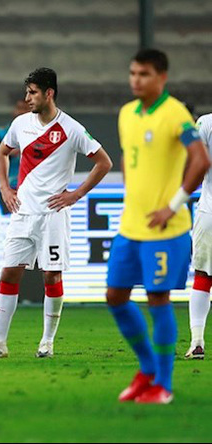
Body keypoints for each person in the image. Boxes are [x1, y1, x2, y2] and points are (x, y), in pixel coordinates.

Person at [0, 68, 112, 360]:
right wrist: (6, 189)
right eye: (27, 92)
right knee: (9, 272)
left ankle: (47, 343)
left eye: (32, 92)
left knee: (51, 275)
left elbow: (104, 162)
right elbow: (1, 153)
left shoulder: (71, 129)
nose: (27, 98)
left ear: (49, 93)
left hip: (53, 215)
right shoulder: (21, 124)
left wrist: (76, 194)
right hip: (23, 212)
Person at [107, 49, 209, 404]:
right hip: (130, 226)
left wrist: (173, 205)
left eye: (144, 74)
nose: (136, 79)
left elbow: (201, 160)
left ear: (161, 77)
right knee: (115, 297)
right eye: (133, 73)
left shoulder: (175, 115)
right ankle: (148, 368)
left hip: (167, 230)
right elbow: (128, 156)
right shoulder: (126, 114)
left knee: (158, 300)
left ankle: (162, 385)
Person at [186, 112, 212, 360]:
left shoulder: (206, 122)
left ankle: (197, 342)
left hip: (209, 213)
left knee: (203, 276)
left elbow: (193, 161)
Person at [0, 99, 29, 190]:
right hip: (6, 185)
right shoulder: (2, 132)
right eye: (19, 108)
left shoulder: (40, 134)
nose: (21, 112)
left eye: (25, 109)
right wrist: (7, 153)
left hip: (29, 186)